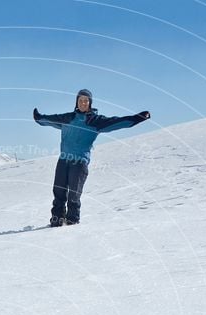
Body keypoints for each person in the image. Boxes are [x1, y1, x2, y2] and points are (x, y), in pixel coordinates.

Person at [33, 89, 150, 226]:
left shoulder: (96, 121)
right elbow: (49, 120)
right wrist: (38, 118)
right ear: (76, 102)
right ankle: (57, 219)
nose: (83, 103)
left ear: (90, 103)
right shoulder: (68, 118)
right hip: (63, 160)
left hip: (80, 162)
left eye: (86, 100)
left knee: (74, 195)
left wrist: (137, 118)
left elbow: (118, 122)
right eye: (80, 100)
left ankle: (72, 220)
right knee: (58, 191)